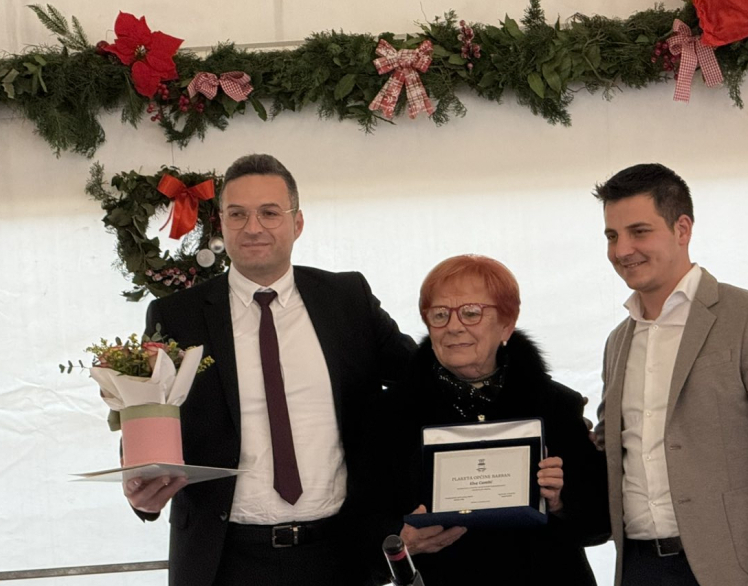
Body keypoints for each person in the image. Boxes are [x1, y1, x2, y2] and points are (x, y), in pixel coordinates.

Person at [122, 154, 416, 586]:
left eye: (270, 213)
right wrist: (140, 488)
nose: (253, 227)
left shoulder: (346, 299)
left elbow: (419, 383)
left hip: (341, 555)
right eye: (237, 214)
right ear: (221, 224)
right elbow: (149, 413)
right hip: (223, 560)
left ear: (297, 223)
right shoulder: (177, 316)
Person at [592, 164, 748, 586]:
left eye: (639, 232)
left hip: (733, 572)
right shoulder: (618, 341)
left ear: (682, 229)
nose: (622, 250)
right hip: (639, 568)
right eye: (611, 235)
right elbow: (610, 450)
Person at [377, 254, 607, 586]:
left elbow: (600, 522)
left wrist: (560, 501)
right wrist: (402, 541)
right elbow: (362, 521)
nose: (454, 326)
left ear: (506, 324)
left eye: (471, 313)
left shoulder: (557, 405)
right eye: (440, 314)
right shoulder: (389, 415)